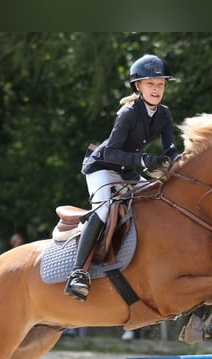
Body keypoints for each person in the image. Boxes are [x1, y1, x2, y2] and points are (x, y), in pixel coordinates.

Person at [64, 54, 181, 301]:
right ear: (138, 86)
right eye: (151, 84)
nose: (157, 89)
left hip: (126, 171)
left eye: (161, 85)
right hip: (102, 167)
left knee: (156, 199)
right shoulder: (128, 113)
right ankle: (78, 274)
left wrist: (183, 163)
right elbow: (111, 152)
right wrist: (143, 160)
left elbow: (171, 150)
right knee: (104, 210)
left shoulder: (164, 114)